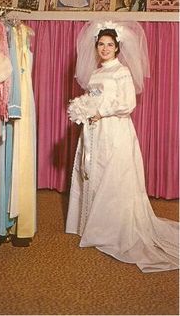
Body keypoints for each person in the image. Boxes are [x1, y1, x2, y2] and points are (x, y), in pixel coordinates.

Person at [66, 20, 179, 273]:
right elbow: (91, 98)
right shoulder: (95, 73)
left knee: (113, 176)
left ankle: (111, 227)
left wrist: (101, 112)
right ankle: (91, 223)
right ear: (96, 47)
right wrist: (84, 111)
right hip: (94, 131)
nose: (105, 49)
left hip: (115, 130)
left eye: (110, 45)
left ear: (117, 48)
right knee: (92, 172)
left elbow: (128, 104)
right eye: (101, 44)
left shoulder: (122, 72)